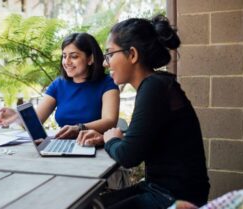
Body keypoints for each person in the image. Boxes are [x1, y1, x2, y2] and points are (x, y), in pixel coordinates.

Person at [78, 15, 210, 208]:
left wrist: (112, 140)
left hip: (173, 197)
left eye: (110, 54)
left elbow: (128, 157)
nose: (106, 63)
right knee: (93, 204)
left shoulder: (154, 87)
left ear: (132, 55)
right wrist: (110, 138)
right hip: (162, 189)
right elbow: (141, 142)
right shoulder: (158, 83)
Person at [0, 32, 120, 146]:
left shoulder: (107, 83)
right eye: (64, 56)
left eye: (74, 56)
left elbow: (109, 121)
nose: (67, 61)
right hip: (63, 145)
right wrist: (15, 116)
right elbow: (36, 121)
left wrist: (79, 128)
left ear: (90, 59)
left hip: (94, 147)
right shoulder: (58, 84)